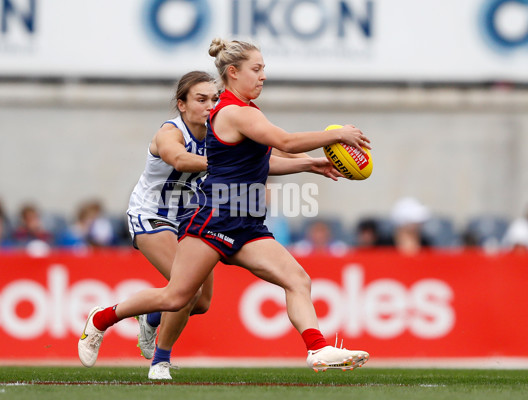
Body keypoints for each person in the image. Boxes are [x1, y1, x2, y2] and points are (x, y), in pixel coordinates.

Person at [79, 38, 371, 375]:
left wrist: (310, 165)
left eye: (264, 70)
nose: (263, 76)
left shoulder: (246, 112)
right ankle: (101, 318)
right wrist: (335, 135)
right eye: (256, 69)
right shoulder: (233, 111)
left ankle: (318, 350)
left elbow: (263, 163)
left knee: (297, 279)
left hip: (246, 222)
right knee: (178, 297)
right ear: (233, 72)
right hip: (213, 219)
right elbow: (286, 142)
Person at [125, 71, 219, 379]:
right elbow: (179, 159)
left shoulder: (221, 133)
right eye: (201, 99)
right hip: (151, 213)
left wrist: (310, 161)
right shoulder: (170, 132)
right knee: (185, 290)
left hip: (188, 219)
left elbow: (270, 150)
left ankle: (151, 315)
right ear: (181, 104)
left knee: (202, 302)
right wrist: (230, 163)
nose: (209, 106)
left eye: (214, 99)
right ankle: (159, 362)